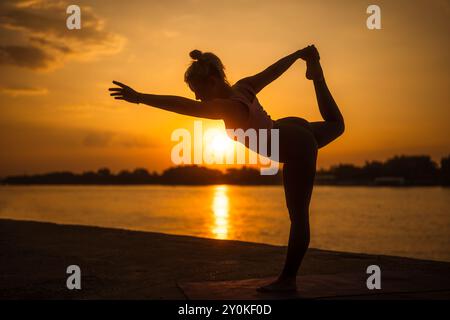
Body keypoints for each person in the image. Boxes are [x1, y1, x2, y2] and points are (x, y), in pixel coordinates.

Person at [108, 45, 345, 292]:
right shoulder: (243, 87)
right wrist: (298, 55)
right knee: (336, 125)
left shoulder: (227, 108)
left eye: (197, 91)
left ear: (211, 82)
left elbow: (185, 106)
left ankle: (287, 280)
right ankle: (317, 77)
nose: (198, 97)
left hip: (295, 145)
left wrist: (141, 98)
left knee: (298, 217)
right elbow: (273, 71)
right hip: (289, 130)